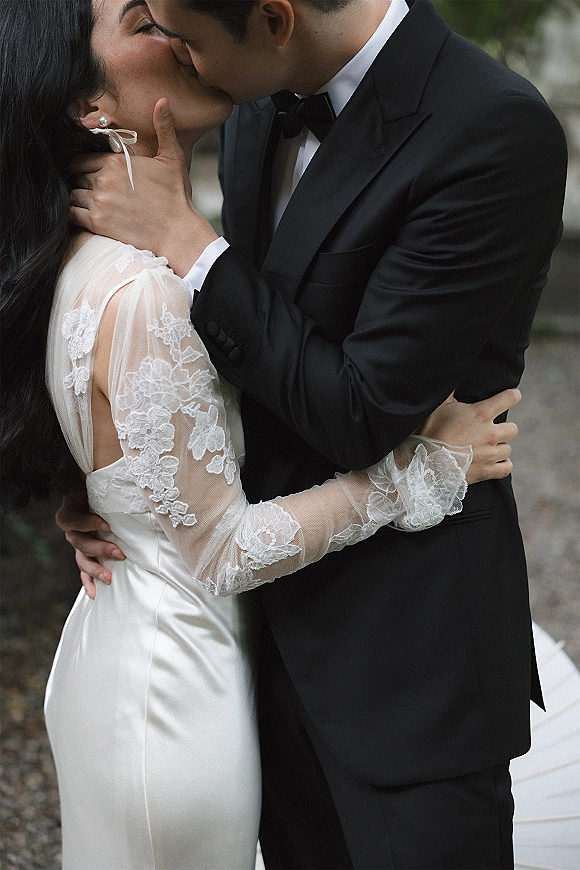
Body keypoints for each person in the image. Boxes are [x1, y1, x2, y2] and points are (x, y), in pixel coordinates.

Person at [0, 1, 523, 868]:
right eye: (144, 23)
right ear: (88, 105)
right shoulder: (147, 271)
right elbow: (217, 537)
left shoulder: (485, 124)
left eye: (172, 23)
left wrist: (121, 489)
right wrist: (428, 468)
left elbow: (236, 369)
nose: (175, 45)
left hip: (381, 661)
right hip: (186, 667)